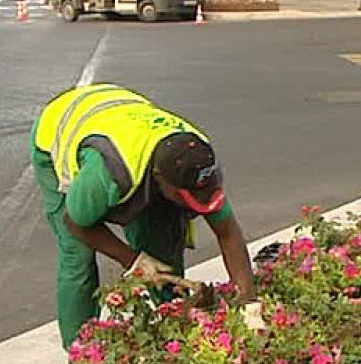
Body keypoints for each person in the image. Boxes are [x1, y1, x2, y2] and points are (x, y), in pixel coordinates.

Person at [31, 84, 262, 350]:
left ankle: (173, 322)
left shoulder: (198, 158)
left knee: (163, 234)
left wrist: (249, 305)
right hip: (60, 125)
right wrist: (133, 260)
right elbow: (77, 224)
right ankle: (80, 352)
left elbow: (227, 231)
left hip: (123, 109)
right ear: (159, 179)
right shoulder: (109, 173)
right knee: (78, 256)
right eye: (185, 197)